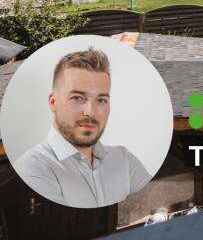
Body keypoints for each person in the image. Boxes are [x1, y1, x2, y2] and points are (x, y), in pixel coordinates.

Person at [13, 47, 151, 208]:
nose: (90, 112)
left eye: (101, 100)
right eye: (77, 98)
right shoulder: (31, 168)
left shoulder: (124, 160)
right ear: (53, 102)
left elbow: (153, 206)